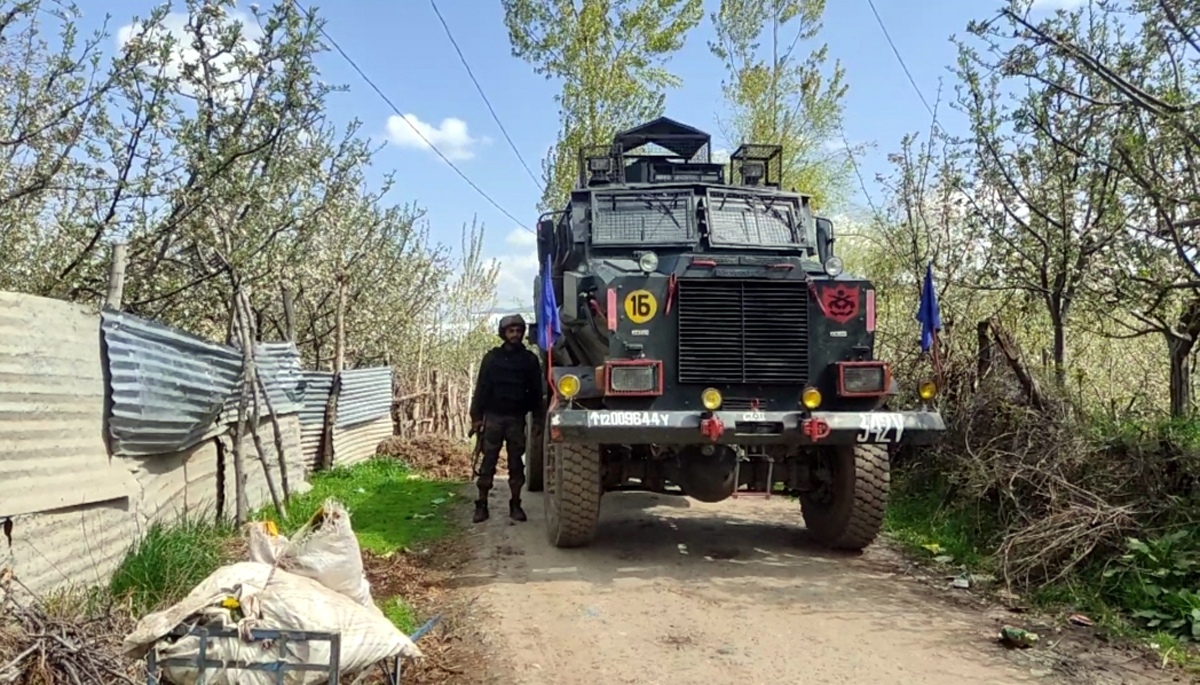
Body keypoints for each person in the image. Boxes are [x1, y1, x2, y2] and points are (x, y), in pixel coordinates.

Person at [468, 313, 544, 524]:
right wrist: (476, 417)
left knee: (516, 463)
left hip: (516, 418)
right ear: (503, 334)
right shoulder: (491, 359)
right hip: (492, 417)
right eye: (511, 331)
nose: (515, 334)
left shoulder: (529, 361)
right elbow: (481, 388)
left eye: (518, 331)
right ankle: (481, 504)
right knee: (488, 461)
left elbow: (536, 393)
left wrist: (538, 420)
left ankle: (516, 504)